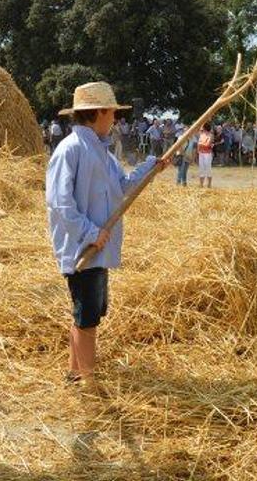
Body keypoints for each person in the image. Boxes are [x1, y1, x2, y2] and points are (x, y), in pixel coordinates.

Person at [45, 81, 168, 395]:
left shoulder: (102, 151)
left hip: (97, 246)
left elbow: (123, 186)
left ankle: (75, 373)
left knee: (87, 313)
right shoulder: (70, 149)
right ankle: (87, 382)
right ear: (98, 112)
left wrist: (151, 168)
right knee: (87, 317)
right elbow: (60, 203)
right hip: (83, 248)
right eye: (111, 111)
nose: (115, 116)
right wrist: (90, 233)